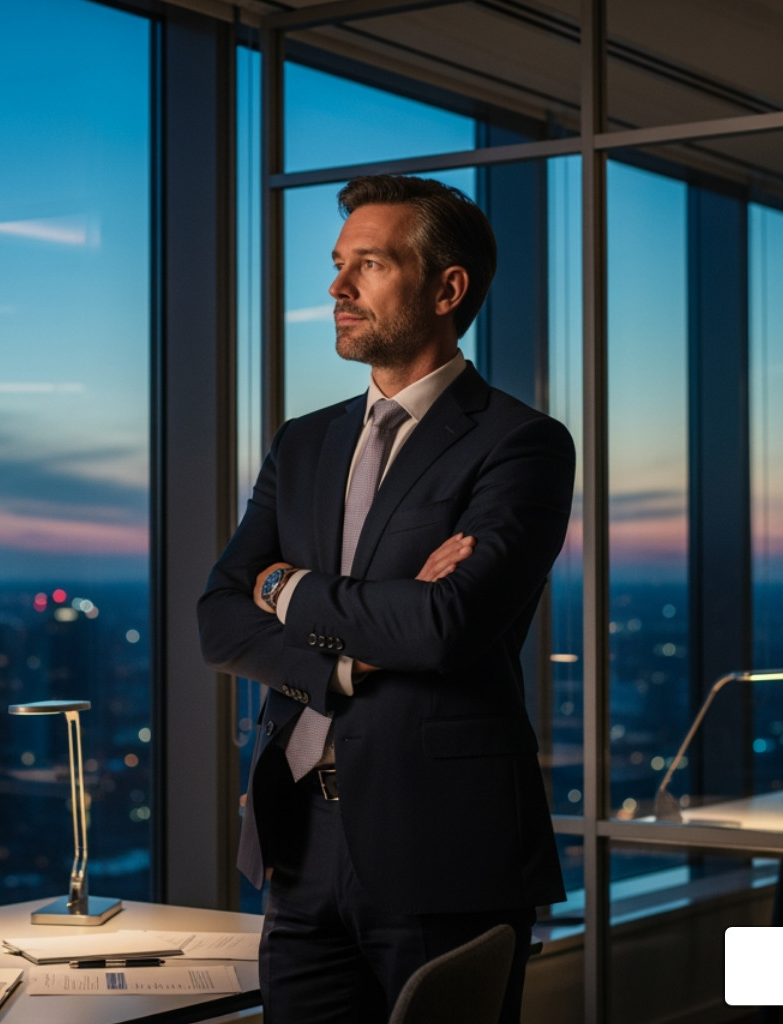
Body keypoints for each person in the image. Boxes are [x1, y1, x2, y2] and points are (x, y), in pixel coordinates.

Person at [198, 175, 574, 1024]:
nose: (337, 287)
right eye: (339, 264)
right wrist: (347, 654)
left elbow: (444, 626)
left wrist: (284, 585)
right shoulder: (303, 444)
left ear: (447, 289)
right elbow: (219, 617)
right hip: (300, 845)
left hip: (443, 846)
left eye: (368, 264)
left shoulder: (523, 445)